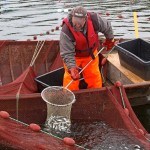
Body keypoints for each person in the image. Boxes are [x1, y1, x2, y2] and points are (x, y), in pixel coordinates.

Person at [60, 6, 116, 91]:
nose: (77, 24)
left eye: (80, 22)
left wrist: (109, 40)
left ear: (85, 19)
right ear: (72, 17)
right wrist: (72, 68)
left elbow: (107, 27)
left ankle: (96, 96)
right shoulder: (66, 30)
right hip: (74, 57)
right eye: (75, 21)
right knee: (70, 79)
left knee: (94, 77)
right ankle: (69, 98)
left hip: (91, 54)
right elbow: (67, 53)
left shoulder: (94, 20)